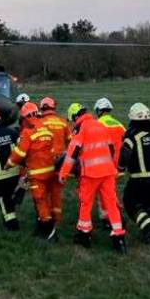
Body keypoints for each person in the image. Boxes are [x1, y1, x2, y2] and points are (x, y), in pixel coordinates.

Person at [60, 103, 127, 253]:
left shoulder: (80, 128)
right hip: (108, 172)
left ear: (76, 116)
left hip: (90, 174)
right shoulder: (99, 124)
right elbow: (110, 148)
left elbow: (72, 154)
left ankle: (84, 234)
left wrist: (63, 173)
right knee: (111, 204)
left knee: (86, 204)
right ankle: (119, 238)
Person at [6, 102, 59, 241]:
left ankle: (48, 230)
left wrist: (8, 164)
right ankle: (43, 225)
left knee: (40, 201)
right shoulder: (47, 130)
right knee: (46, 200)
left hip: (37, 174)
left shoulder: (27, 132)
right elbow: (52, 151)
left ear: (25, 117)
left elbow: (19, 153)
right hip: (50, 171)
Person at [119, 102, 150, 243]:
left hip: (140, 177)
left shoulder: (132, 136)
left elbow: (125, 155)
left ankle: (148, 226)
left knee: (130, 202)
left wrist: (120, 168)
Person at [93, 97, 126, 231]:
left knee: (104, 194)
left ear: (99, 111)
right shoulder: (119, 124)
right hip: (118, 166)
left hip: (103, 165)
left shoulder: (97, 124)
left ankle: (109, 220)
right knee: (111, 192)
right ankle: (115, 217)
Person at [39, 97, 70, 225]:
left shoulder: (40, 123)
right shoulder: (62, 122)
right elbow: (70, 141)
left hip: (44, 163)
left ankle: (45, 218)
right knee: (56, 192)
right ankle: (56, 219)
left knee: (44, 192)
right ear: (53, 108)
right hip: (60, 163)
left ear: (42, 108)